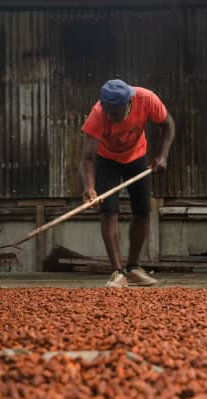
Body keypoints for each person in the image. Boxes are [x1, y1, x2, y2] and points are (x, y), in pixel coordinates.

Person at [79, 79, 175, 288]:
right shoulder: (98, 114)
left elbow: (168, 124)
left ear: (129, 103)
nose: (112, 118)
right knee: (109, 211)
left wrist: (163, 156)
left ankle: (133, 267)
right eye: (109, 113)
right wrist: (89, 188)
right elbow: (87, 159)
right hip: (107, 160)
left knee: (142, 211)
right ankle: (117, 271)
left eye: (117, 113)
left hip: (136, 156)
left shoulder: (146, 99)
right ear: (103, 106)